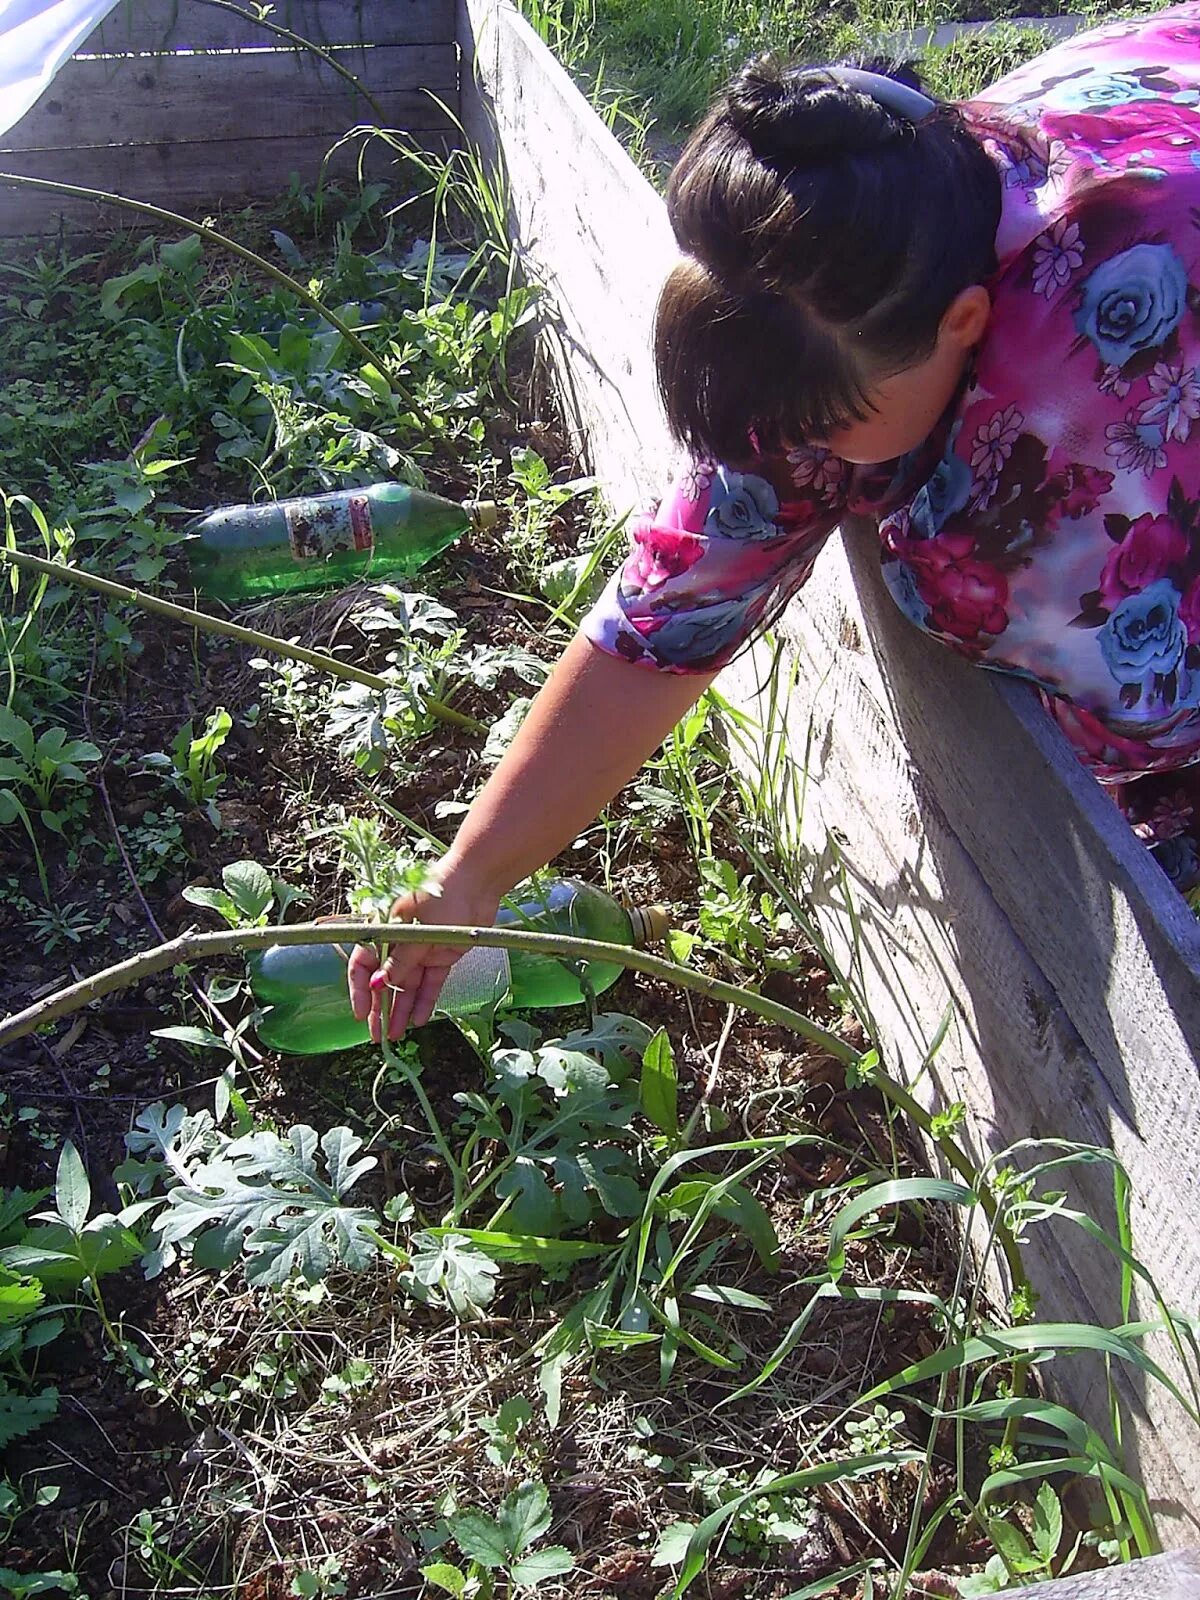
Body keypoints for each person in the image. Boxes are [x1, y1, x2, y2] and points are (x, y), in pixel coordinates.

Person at [349, 2, 1200, 1040]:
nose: (790, 459)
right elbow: (668, 614)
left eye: (825, 427)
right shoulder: (850, 247)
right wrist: (470, 875)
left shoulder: (1108, 363)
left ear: (964, 325)